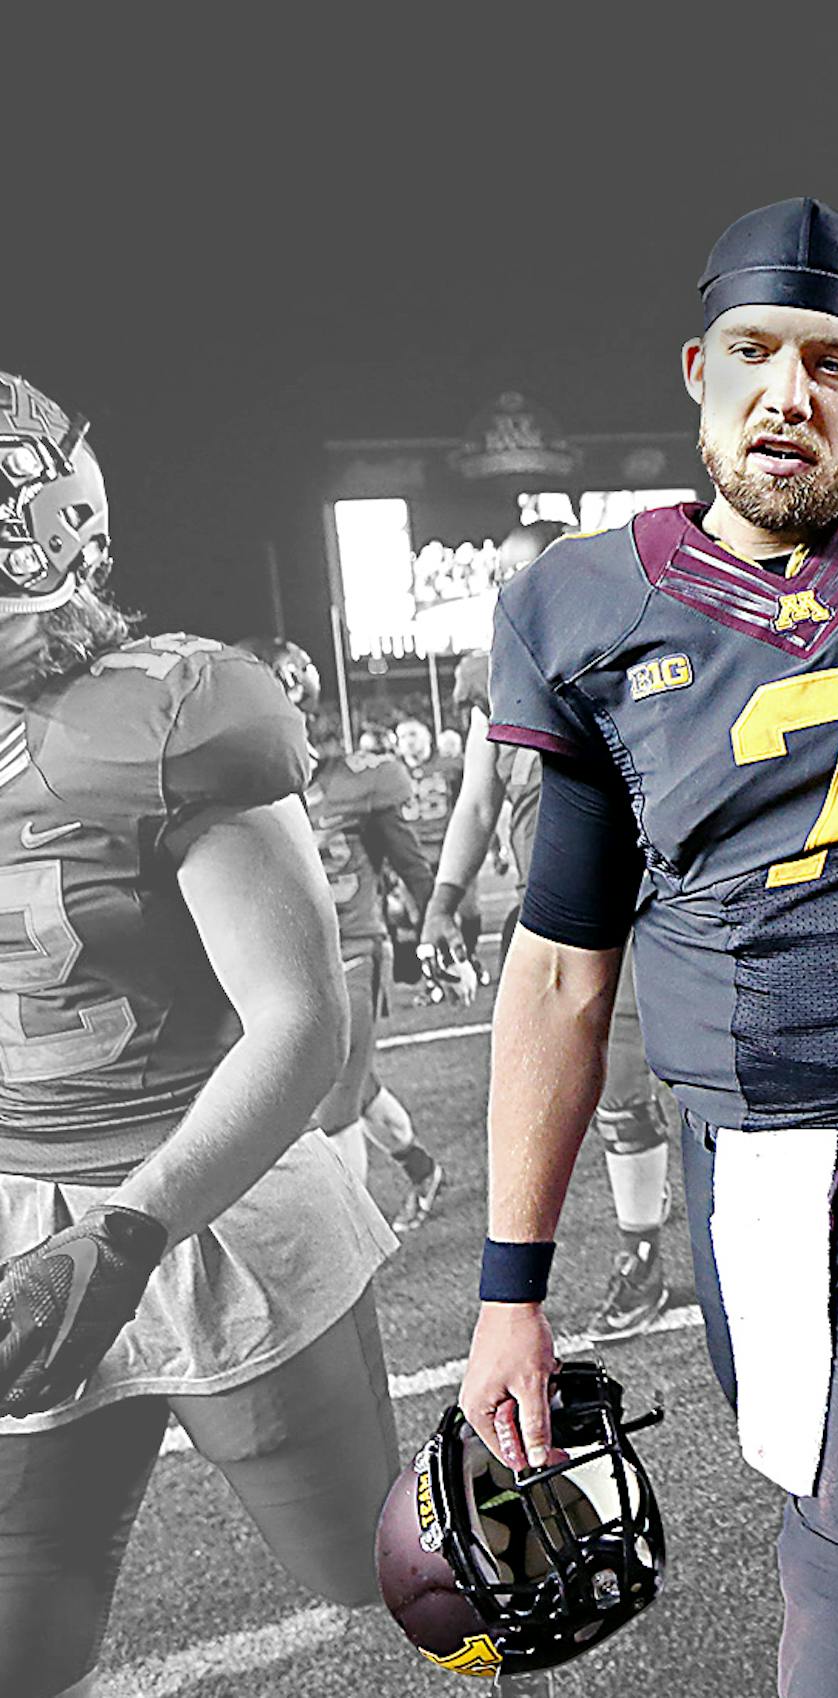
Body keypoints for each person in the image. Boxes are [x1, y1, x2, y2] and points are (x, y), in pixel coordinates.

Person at [454, 198, 838, 1698]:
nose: (788, 389)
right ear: (698, 371)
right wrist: (506, 1286)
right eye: (753, 352)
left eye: (830, 359)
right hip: (746, 1167)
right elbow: (559, 963)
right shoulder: (579, 603)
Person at [0, 373, 399, 1698]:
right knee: (24, 1582)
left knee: (385, 1575)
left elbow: (297, 1017)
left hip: (201, 1194)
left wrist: (127, 1233)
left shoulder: (165, 714)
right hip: (14, 1204)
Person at [422, 641, 678, 1342]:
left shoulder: (631, 637)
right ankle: (643, 1251)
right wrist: (445, 896)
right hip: (564, 917)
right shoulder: (496, 672)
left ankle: (658, 1239)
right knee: (610, 1087)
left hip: (658, 902)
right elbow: (479, 803)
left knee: (700, 1078)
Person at [239, 641, 445, 1236]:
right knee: (355, 1086)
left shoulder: (361, 778)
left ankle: (351, 1252)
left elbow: (412, 866)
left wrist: (438, 933)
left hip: (354, 949)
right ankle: (420, 1167)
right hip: (289, 961)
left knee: (333, 1109)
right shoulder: (243, 790)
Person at [393, 713, 478, 985]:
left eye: (413, 734)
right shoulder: (390, 773)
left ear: (428, 736)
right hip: (412, 855)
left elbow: (474, 803)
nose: (408, 742)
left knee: (469, 911)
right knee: (420, 915)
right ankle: (436, 968)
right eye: (402, 736)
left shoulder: (452, 766)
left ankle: (468, 957)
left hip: (450, 848)